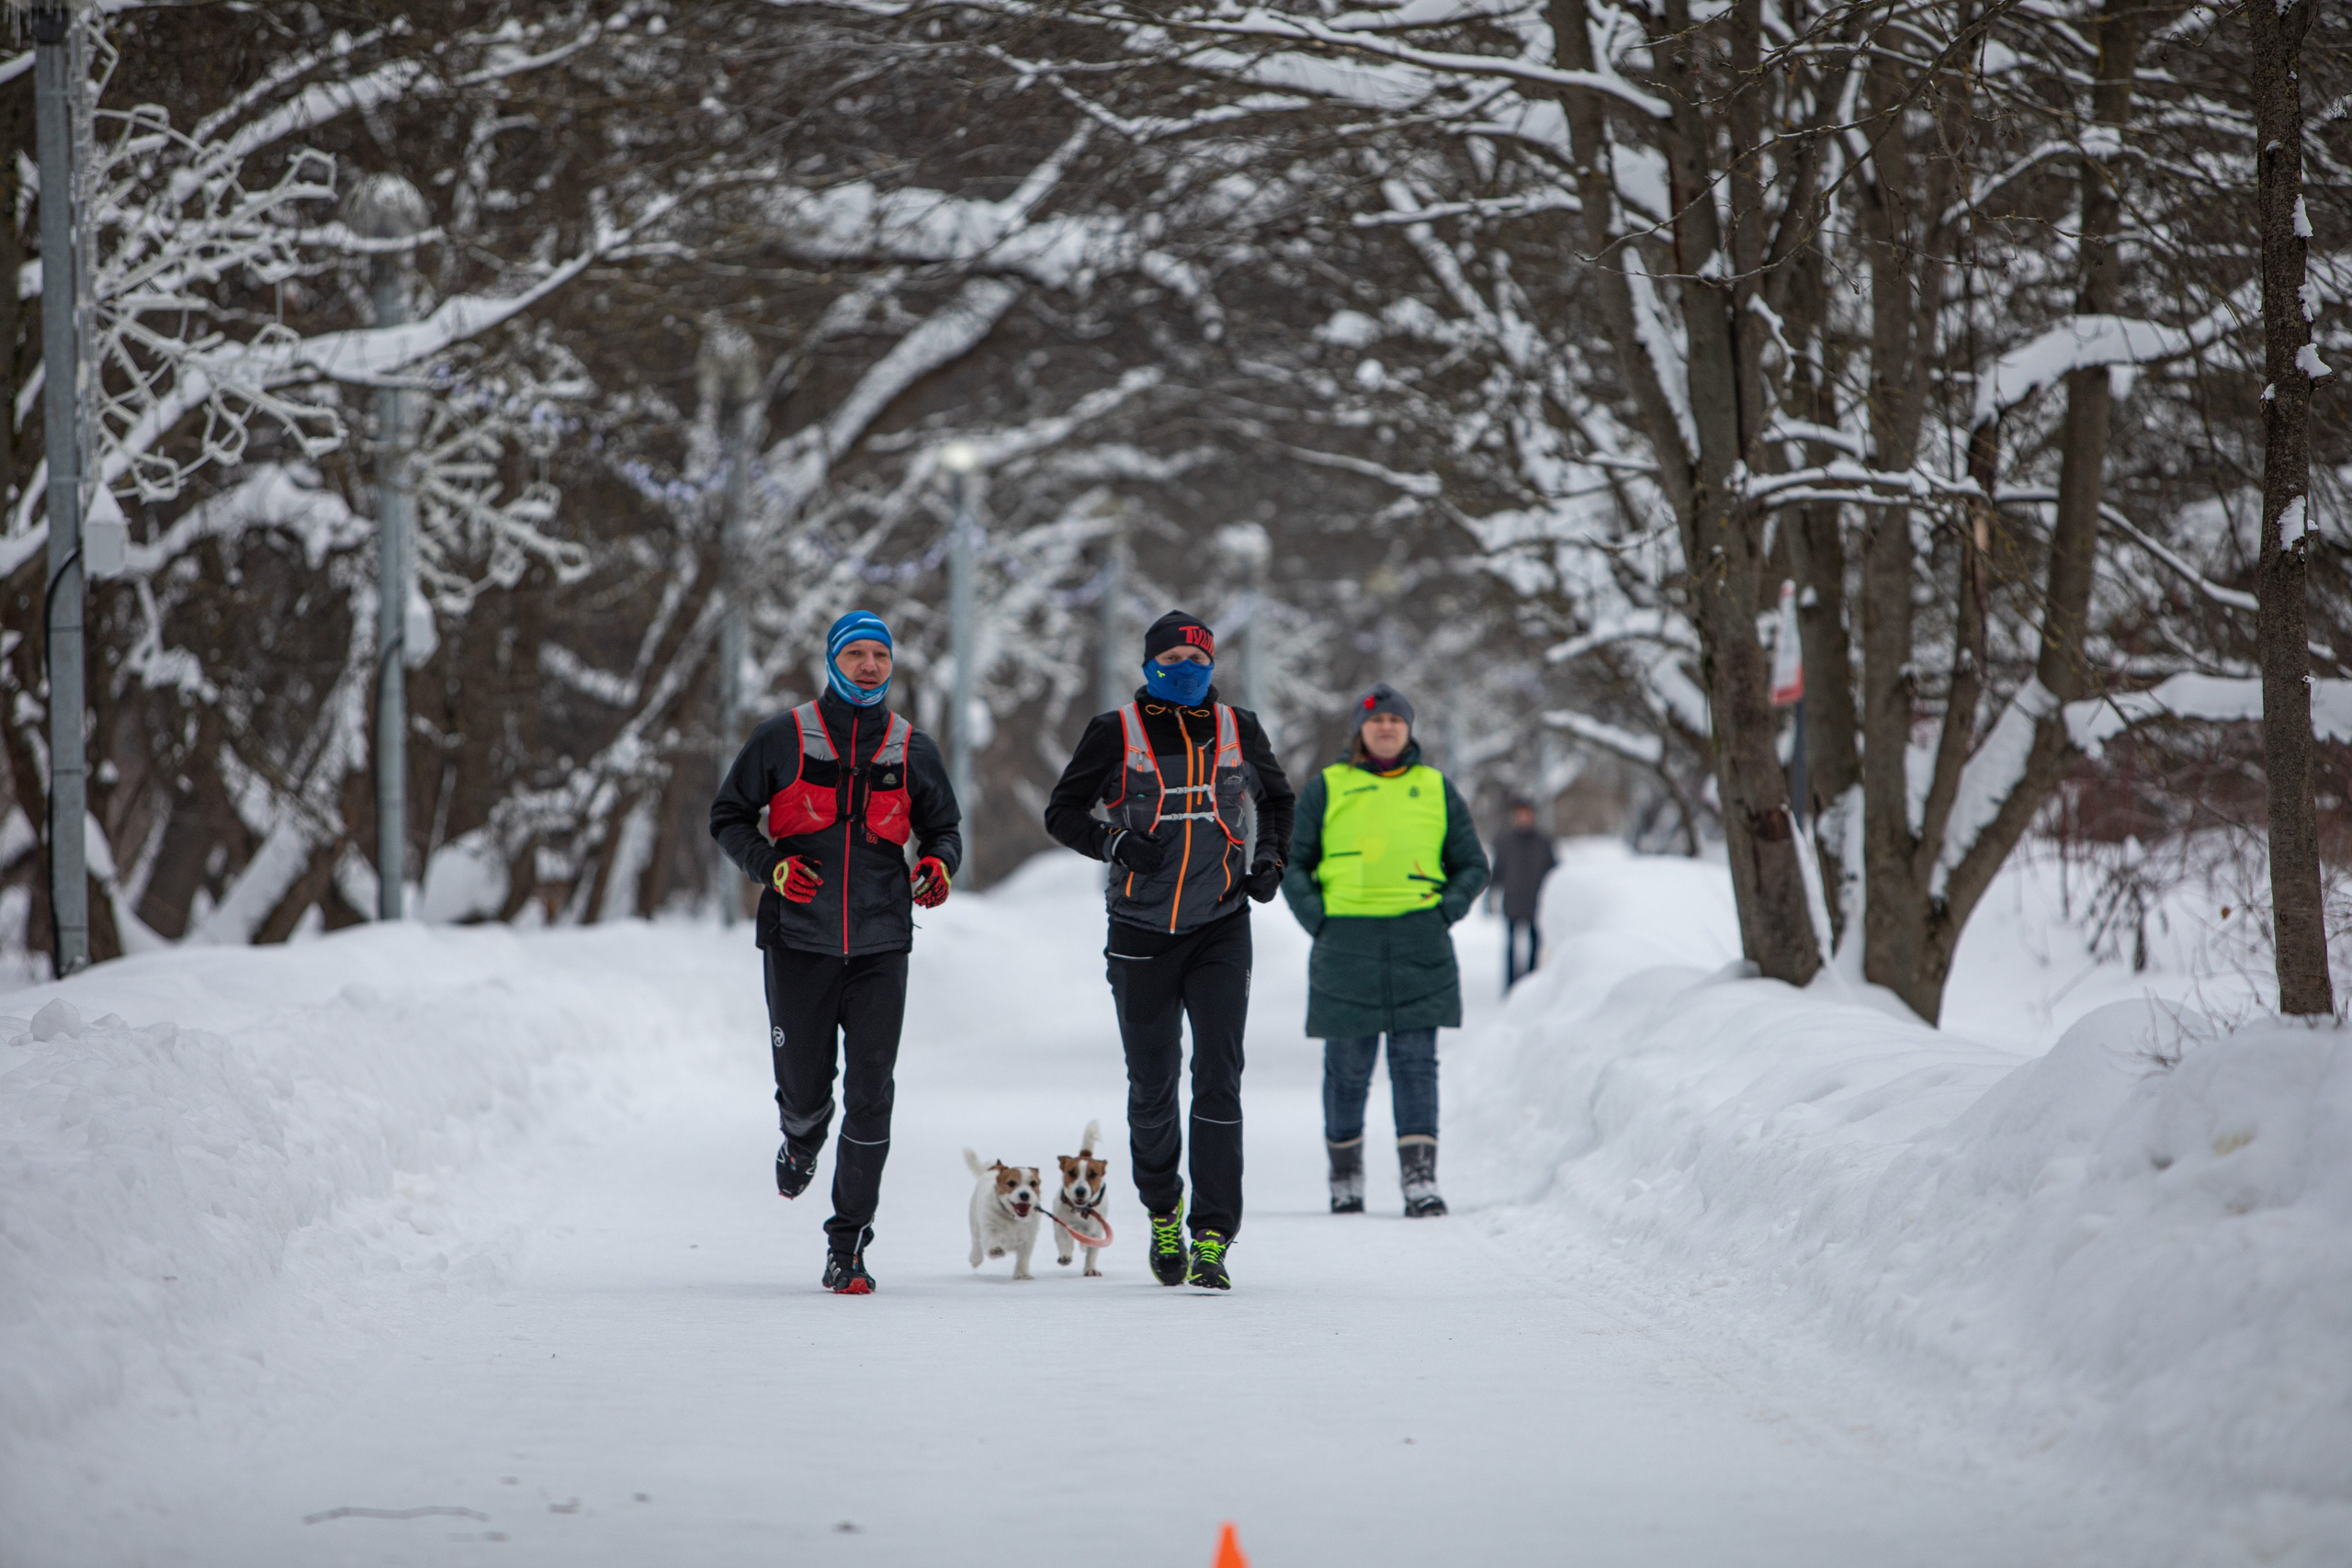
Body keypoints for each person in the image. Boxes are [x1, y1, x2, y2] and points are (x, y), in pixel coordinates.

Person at [709, 610, 960, 1295]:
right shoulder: (782, 737)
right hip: (799, 942)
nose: (870, 666)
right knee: (806, 1088)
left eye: (881, 654)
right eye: (857, 654)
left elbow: (944, 827)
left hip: (882, 945)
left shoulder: (913, 748)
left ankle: (847, 1242)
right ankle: (800, 1134)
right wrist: (769, 867)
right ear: (832, 661)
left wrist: (939, 863)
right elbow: (728, 815)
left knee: (872, 1094)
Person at [1044, 610, 1295, 1292]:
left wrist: (1270, 857)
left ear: (1215, 664)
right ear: (1149, 662)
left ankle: (1213, 1236)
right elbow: (1062, 811)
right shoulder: (1114, 731)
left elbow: (1276, 800)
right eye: (1173, 655)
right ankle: (1164, 1212)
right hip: (1140, 933)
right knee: (1152, 1085)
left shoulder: (1239, 727)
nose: (1187, 665)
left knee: (1219, 1076)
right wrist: (1113, 842)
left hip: (1221, 924)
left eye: (1199, 655)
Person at [1282, 683, 1487, 1217]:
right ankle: (1345, 1175)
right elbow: (1293, 863)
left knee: (1416, 1065)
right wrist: (1319, 919)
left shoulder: (1436, 787)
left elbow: (1473, 864)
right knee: (1347, 1068)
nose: (1387, 728)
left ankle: (1420, 1178)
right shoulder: (1327, 787)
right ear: (1360, 729)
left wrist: (1445, 911)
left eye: (1396, 720)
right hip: (1345, 944)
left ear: (1409, 728)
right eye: (1376, 721)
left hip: (1420, 942)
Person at [1490, 799, 1557, 989]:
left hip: (1537, 904)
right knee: (1511, 947)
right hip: (1512, 903)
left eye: (1526, 814)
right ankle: (1510, 986)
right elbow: (1497, 872)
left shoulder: (1543, 842)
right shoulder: (1505, 842)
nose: (1523, 818)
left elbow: (1554, 872)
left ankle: (1531, 985)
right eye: (1519, 814)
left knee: (1535, 946)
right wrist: (1491, 897)